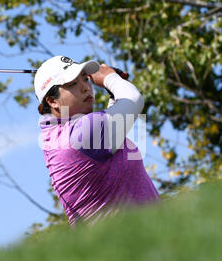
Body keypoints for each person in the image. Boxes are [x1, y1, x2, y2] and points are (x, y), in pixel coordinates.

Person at [35, 55, 160, 227]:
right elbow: (133, 100)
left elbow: (109, 144)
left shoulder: (56, 136)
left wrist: (113, 94)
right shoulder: (79, 133)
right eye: (72, 84)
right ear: (52, 101)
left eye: (85, 80)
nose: (86, 88)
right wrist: (110, 78)